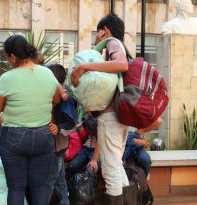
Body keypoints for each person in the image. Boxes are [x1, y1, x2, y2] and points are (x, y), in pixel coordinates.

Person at [0, 35, 61, 205]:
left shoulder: (8, 78)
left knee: (16, 187)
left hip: (14, 136)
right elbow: (57, 100)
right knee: (39, 186)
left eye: (7, 57)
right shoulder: (47, 73)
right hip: (44, 135)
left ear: (13, 56)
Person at [71, 13, 130, 204]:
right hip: (120, 117)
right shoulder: (120, 45)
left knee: (110, 171)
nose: (96, 37)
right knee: (117, 167)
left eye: (98, 32)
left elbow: (122, 65)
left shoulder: (112, 42)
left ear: (104, 30)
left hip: (111, 118)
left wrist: (85, 66)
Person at [45, 64, 77, 205]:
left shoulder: (66, 101)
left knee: (50, 179)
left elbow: (71, 124)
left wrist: (57, 128)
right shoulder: (47, 96)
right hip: (51, 145)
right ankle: (65, 201)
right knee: (60, 177)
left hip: (58, 146)